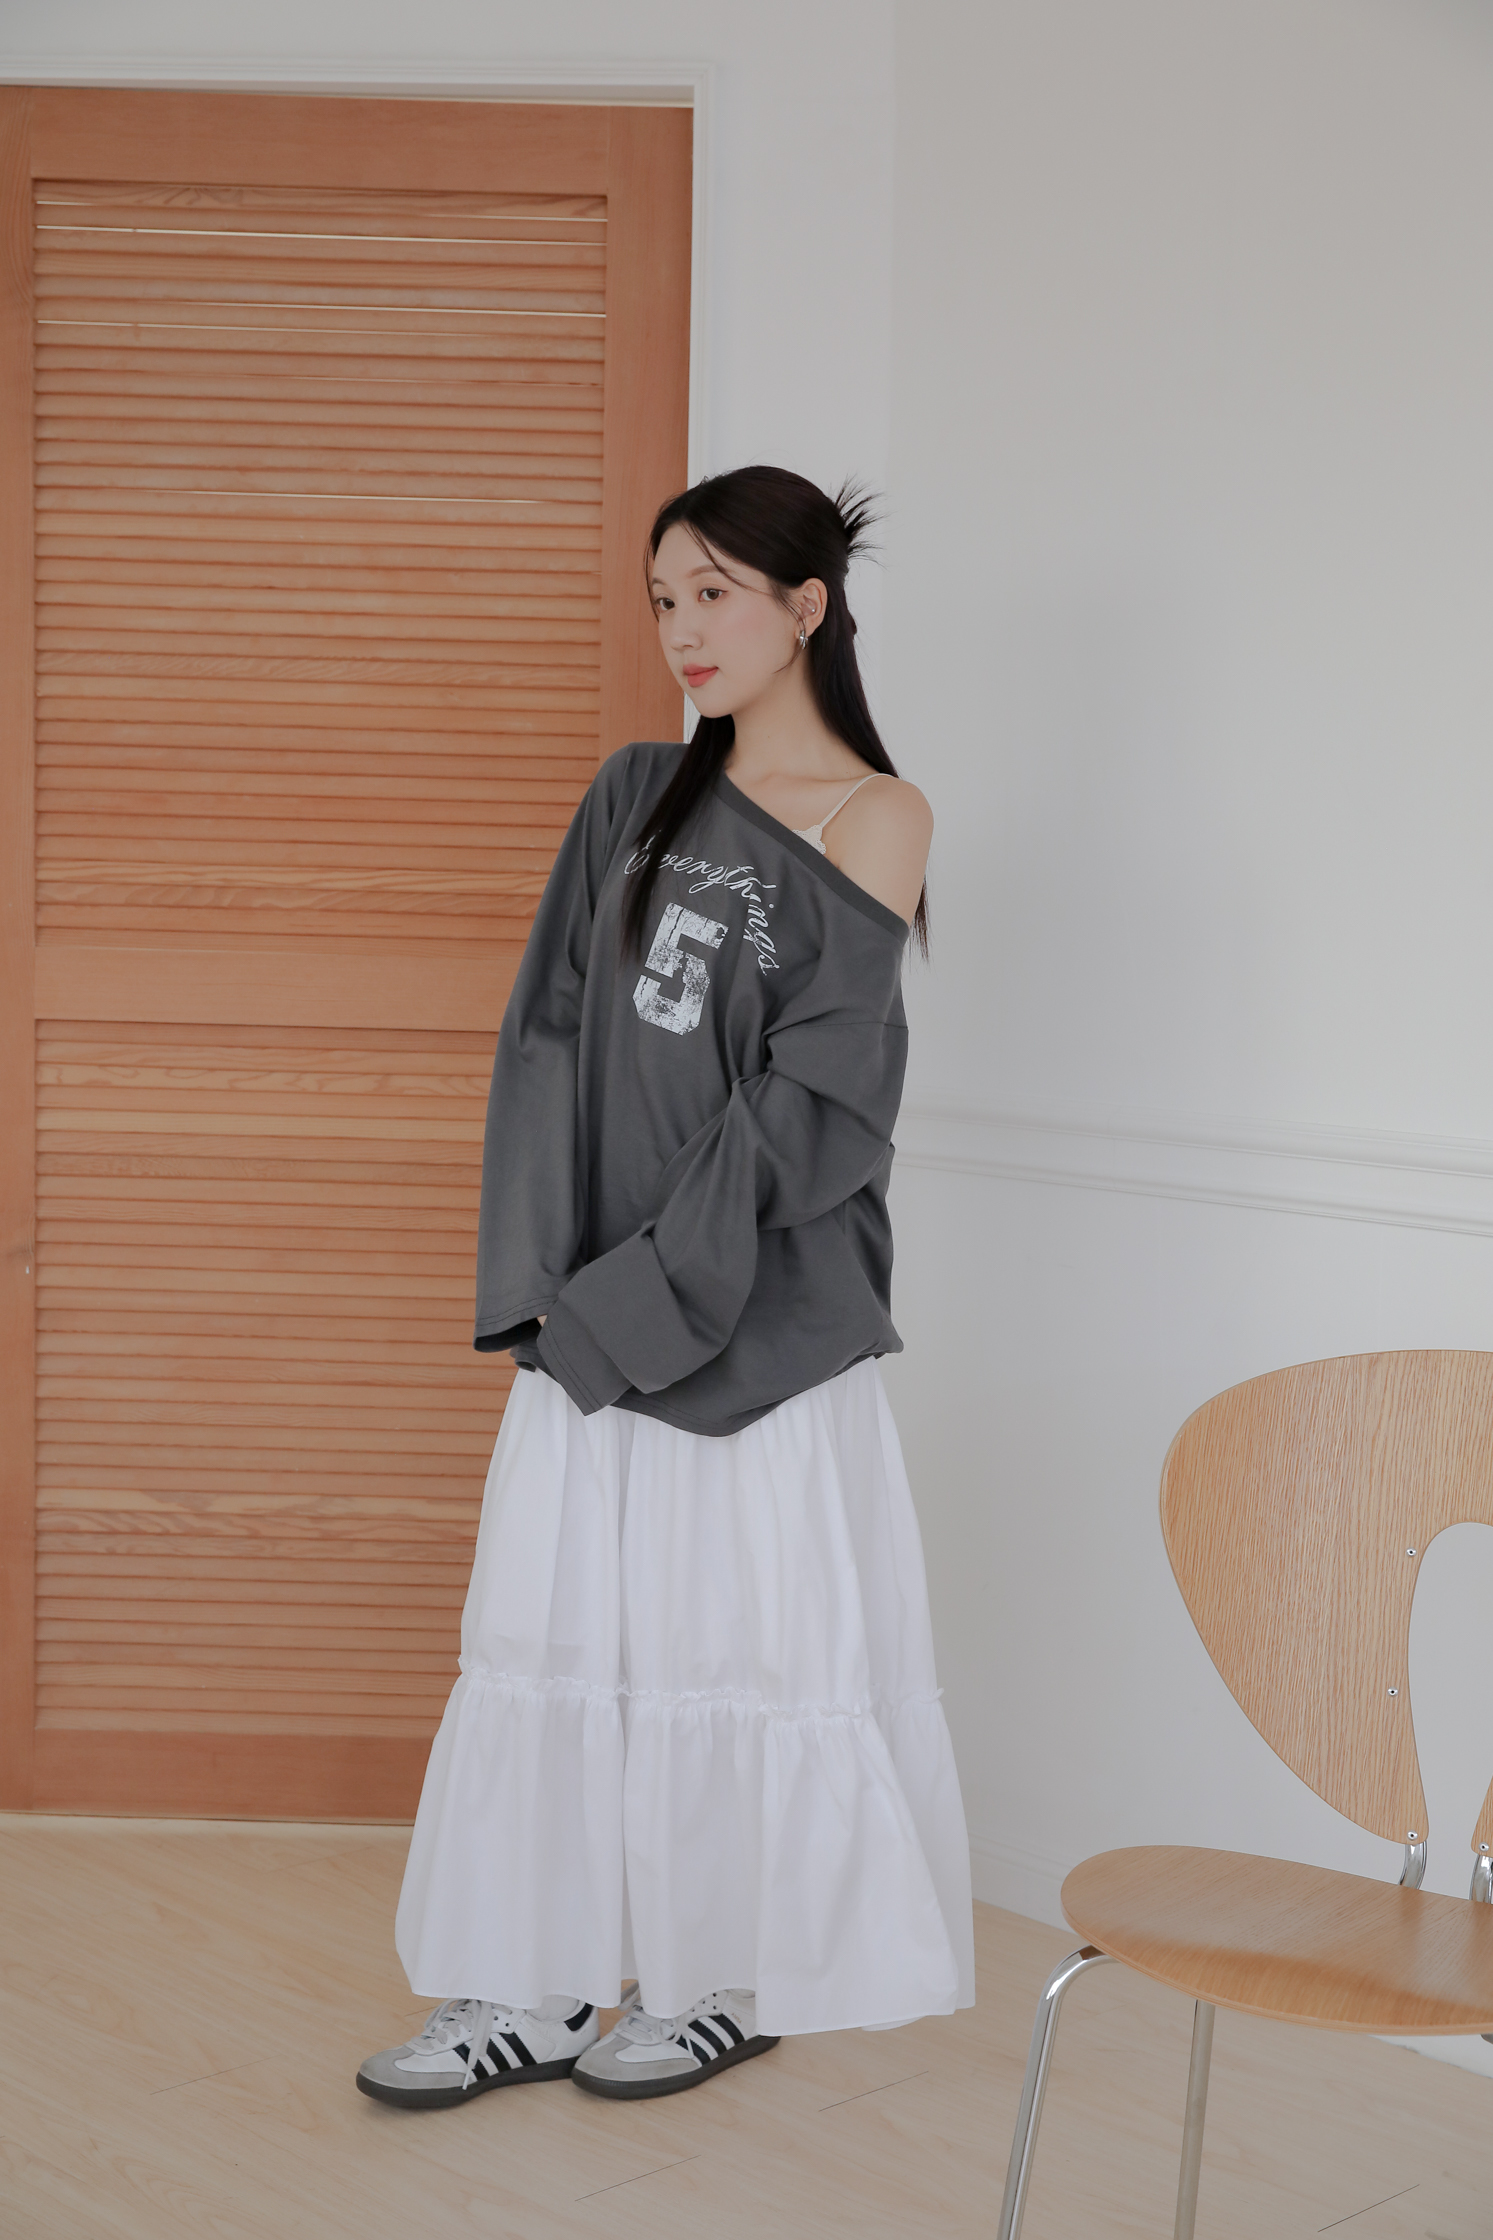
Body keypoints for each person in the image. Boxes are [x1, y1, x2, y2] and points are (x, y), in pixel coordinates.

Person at [357, 464, 974, 2112]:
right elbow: (548, 1046)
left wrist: (656, 1290)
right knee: (558, 1643)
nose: (681, 631)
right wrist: (555, 1283)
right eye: (661, 601)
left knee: (736, 1652)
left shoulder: (877, 817)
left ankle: (721, 1977)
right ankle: (536, 1986)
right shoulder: (632, 790)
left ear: (804, 607)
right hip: (596, 1307)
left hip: (755, 1319)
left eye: (712, 594)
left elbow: (815, 1105)